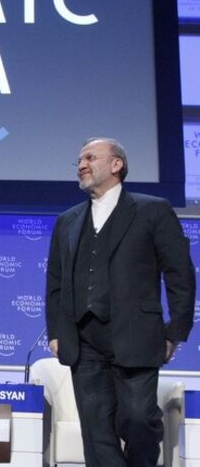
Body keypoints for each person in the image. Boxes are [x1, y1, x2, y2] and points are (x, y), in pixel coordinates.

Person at [46, 137, 195, 467]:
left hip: (138, 334)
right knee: (96, 433)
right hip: (83, 340)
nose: (82, 165)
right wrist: (56, 331)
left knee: (139, 419)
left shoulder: (152, 210)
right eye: (79, 160)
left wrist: (175, 332)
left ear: (117, 165)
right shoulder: (67, 220)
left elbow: (180, 274)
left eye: (90, 157)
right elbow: (56, 283)